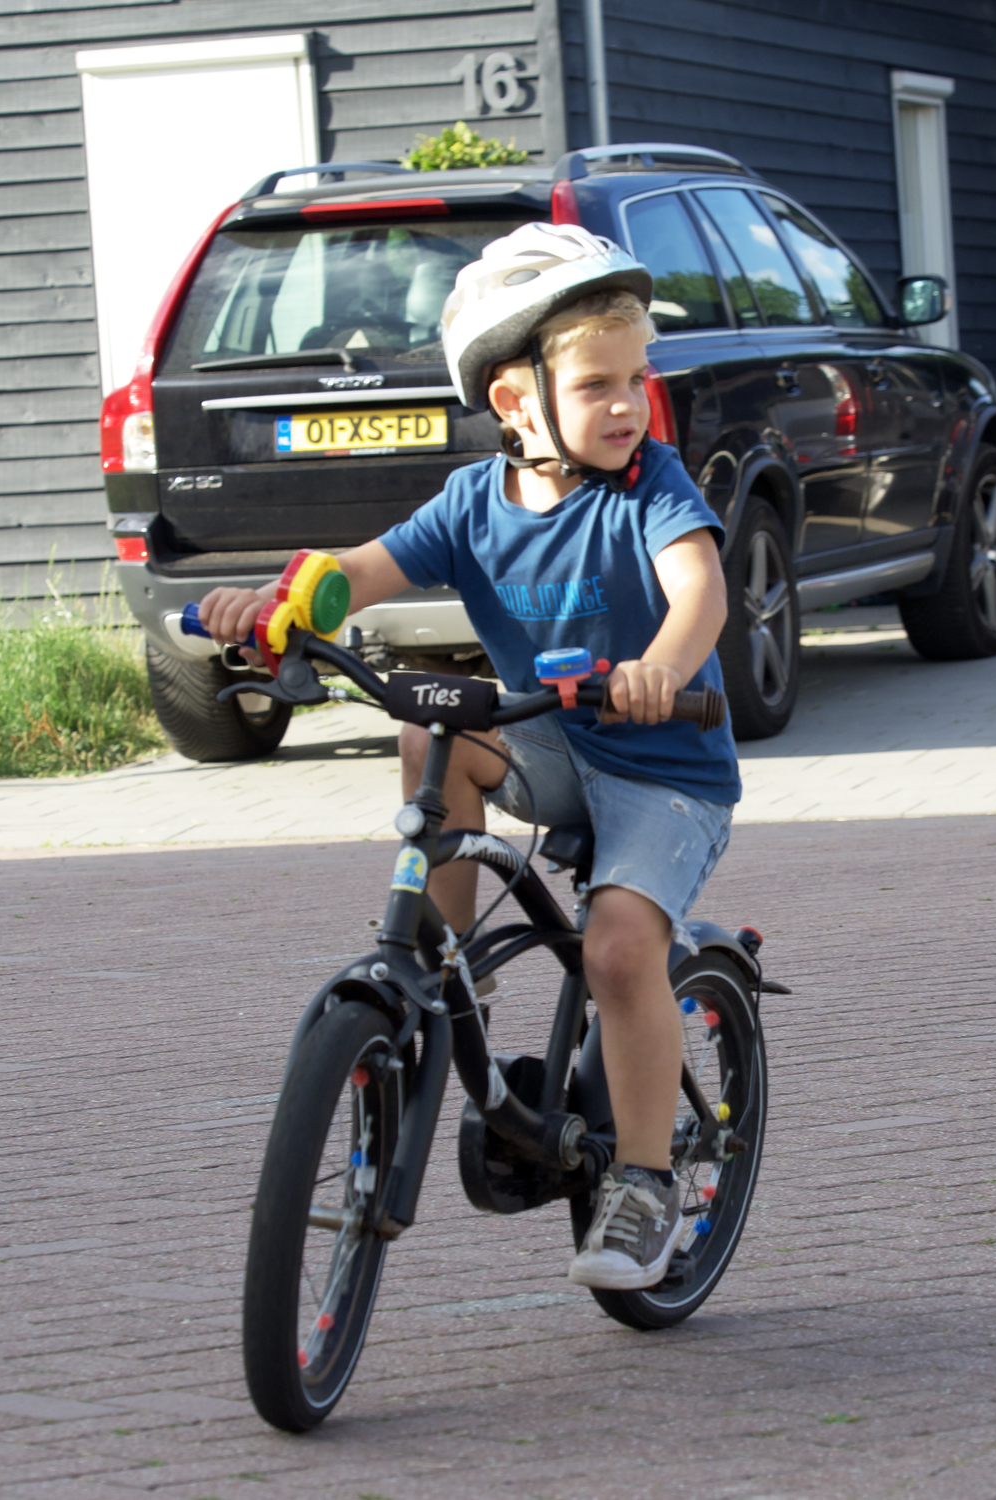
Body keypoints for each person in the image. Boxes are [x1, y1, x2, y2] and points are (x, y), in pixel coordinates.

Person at [198, 222, 741, 1291]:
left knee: (617, 952)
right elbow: (362, 570)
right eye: (596, 385)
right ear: (514, 402)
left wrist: (661, 667)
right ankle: (440, 974)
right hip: (550, 740)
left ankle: (643, 1181)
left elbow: (700, 590)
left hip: (662, 766)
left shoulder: (651, 486)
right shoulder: (472, 503)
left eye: (635, 381)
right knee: (426, 730)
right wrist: (276, 605)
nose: (627, 406)